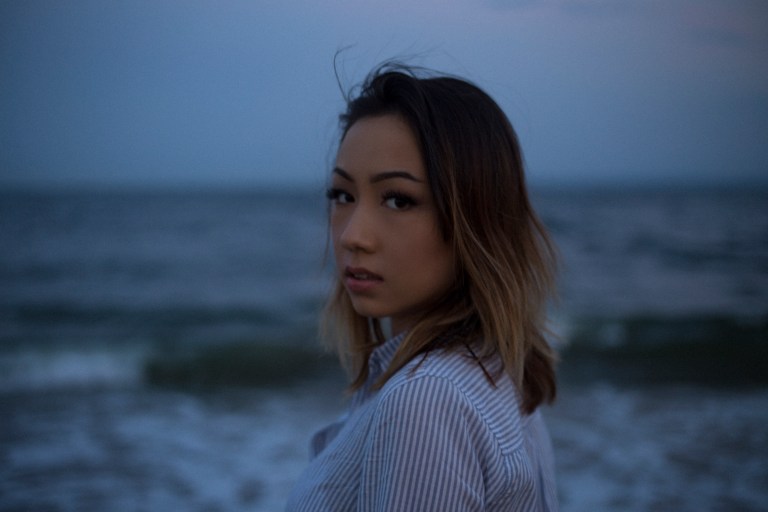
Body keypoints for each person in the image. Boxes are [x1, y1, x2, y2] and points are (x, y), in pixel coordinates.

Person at [286, 63, 559, 511]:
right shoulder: (499, 372)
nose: (353, 234)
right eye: (342, 195)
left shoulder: (426, 399)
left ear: (476, 220)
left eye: (398, 199)